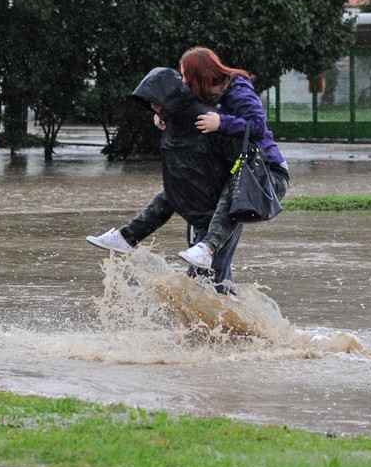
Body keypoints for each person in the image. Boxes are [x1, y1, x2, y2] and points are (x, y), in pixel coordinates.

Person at [86, 66, 245, 289]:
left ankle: (243, 323)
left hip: (217, 212)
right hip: (195, 208)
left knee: (208, 283)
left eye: (155, 100)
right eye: (149, 101)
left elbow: (239, 160)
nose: (152, 106)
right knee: (205, 283)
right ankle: (244, 323)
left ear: (170, 97)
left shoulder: (208, 120)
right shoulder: (173, 122)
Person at [176, 47, 289, 270]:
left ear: (201, 74)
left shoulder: (238, 90)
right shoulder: (205, 96)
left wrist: (222, 123)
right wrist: (161, 115)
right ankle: (128, 235)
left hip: (265, 172)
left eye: (185, 75)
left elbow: (257, 127)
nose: (183, 81)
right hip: (227, 172)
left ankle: (208, 248)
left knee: (212, 268)